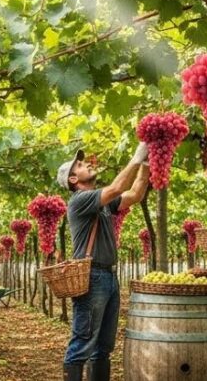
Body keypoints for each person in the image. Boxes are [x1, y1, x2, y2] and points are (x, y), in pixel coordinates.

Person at [56, 144, 150, 381]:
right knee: (82, 344)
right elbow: (118, 187)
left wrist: (147, 165)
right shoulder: (79, 200)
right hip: (92, 277)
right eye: (79, 165)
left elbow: (135, 194)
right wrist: (136, 157)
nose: (86, 163)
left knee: (103, 348)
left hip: (109, 276)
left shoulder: (103, 203)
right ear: (74, 179)